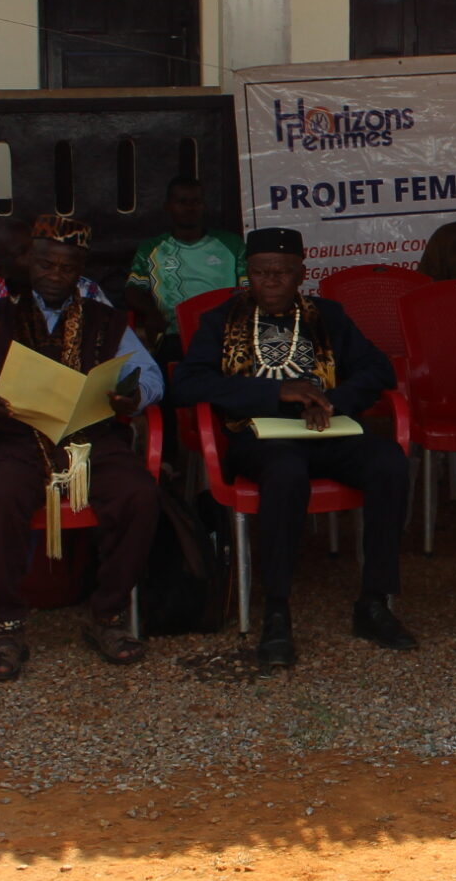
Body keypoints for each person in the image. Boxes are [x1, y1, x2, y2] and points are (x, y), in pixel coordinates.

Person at [170, 227, 413, 667]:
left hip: (324, 429)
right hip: (259, 437)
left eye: (282, 272)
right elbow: (187, 383)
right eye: (261, 272)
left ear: (301, 275)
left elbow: (377, 369)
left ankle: (374, 601)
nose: (271, 281)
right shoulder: (221, 319)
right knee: (286, 473)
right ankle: (277, 613)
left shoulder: (327, 316)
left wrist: (331, 400)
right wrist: (275, 392)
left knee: (388, 462)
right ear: (248, 274)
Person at [0, 214, 163, 681]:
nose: (55, 276)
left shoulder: (104, 318)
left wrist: (133, 396)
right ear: (30, 262)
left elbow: (150, 376)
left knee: (138, 494)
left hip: (88, 437)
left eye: (67, 268)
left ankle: (108, 614)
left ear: (81, 270)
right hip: (13, 436)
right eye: (46, 265)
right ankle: (5, 627)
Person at [125, 176, 243, 360]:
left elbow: (248, 288)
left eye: (196, 202)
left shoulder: (232, 244)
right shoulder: (151, 248)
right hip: (175, 335)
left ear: (204, 205)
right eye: (182, 202)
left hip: (225, 334)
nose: (190, 208)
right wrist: (151, 312)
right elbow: (133, 290)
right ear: (168, 206)